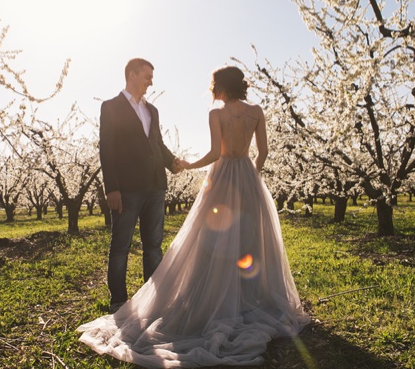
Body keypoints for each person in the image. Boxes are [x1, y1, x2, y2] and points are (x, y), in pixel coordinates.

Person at [78, 65, 309, 368]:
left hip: (223, 177)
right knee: (252, 240)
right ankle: (248, 297)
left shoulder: (215, 114)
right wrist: (253, 175)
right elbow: (262, 151)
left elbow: (215, 153)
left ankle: (213, 297)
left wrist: (188, 165)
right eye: (147, 76)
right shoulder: (256, 111)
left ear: (220, 86)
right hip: (249, 180)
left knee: (212, 238)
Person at [98, 58, 184, 314]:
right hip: (126, 188)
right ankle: (118, 301)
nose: (151, 82)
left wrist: (172, 162)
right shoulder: (111, 107)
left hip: (156, 186)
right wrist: (111, 187)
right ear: (132, 75)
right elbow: (106, 148)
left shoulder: (152, 110)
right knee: (121, 246)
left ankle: (152, 299)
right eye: (147, 76)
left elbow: (156, 143)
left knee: (153, 246)